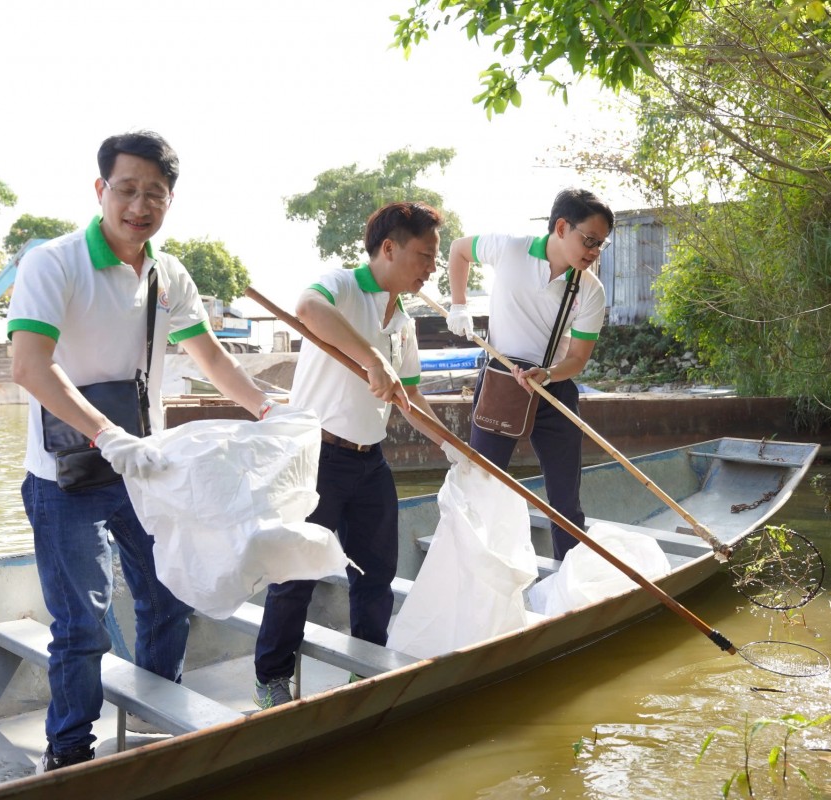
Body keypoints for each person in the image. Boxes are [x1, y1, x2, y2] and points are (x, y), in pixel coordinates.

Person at [7, 130, 276, 771]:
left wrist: (267, 408)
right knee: (82, 625)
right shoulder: (54, 263)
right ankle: (69, 753)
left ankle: (156, 724)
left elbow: (208, 354)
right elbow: (29, 366)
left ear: (169, 200)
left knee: (168, 594)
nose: (139, 205)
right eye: (127, 189)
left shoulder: (166, 271)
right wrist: (108, 434)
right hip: (65, 475)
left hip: (143, 471)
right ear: (101, 190)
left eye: (154, 193)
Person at [252, 201, 458, 708]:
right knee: (296, 571)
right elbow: (306, 309)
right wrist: (371, 358)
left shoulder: (404, 322)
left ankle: (366, 671)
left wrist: (454, 447)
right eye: (424, 255)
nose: (431, 267)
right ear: (389, 249)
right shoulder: (343, 284)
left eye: (434, 258)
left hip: (371, 461)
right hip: (316, 456)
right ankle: (270, 677)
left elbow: (409, 399)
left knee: (375, 574)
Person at [445, 187, 613, 561]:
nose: (594, 251)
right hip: (501, 385)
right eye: (589, 240)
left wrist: (548, 374)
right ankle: (469, 570)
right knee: (481, 486)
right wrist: (458, 306)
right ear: (561, 227)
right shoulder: (509, 248)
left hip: (553, 390)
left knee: (565, 501)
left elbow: (578, 358)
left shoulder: (590, 290)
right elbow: (457, 248)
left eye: (601, 244)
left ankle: (570, 583)